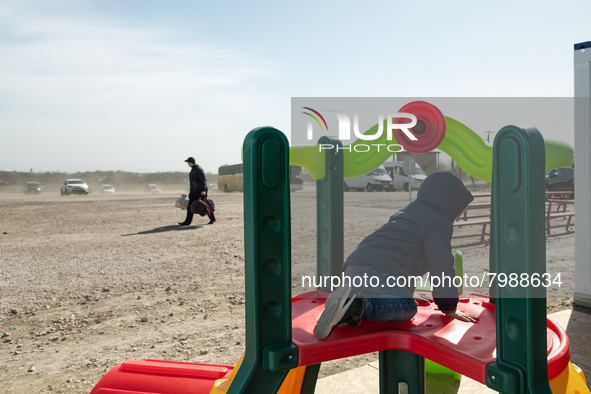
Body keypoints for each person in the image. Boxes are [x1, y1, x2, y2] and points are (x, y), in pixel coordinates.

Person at [316, 172, 479, 340]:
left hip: (354, 269)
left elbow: (399, 257)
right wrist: (449, 307)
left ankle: (342, 308)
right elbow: (441, 265)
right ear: (449, 205)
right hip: (377, 273)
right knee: (408, 308)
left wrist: (402, 293)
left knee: (399, 297)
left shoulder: (408, 211)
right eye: (456, 213)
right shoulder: (438, 222)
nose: (456, 219)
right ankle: (355, 308)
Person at [178, 157, 216, 226]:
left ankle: (212, 218)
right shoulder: (193, 169)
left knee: (204, 204)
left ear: (190, 162)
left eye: (188, 162)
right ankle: (187, 221)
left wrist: (203, 190)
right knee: (190, 205)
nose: (187, 164)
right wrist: (191, 191)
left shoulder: (198, 169)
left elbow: (203, 179)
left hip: (200, 191)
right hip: (194, 191)